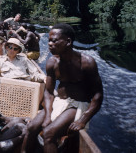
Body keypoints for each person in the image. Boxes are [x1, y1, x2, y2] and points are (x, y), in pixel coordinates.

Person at [22, 23, 104, 153]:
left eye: (54, 40)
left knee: (49, 133)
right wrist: (48, 115)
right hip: (60, 102)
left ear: (68, 42)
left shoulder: (87, 63)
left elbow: (98, 95)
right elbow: (49, 92)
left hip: (78, 106)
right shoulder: (52, 62)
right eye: (49, 40)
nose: (49, 44)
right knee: (31, 128)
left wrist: (83, 120)